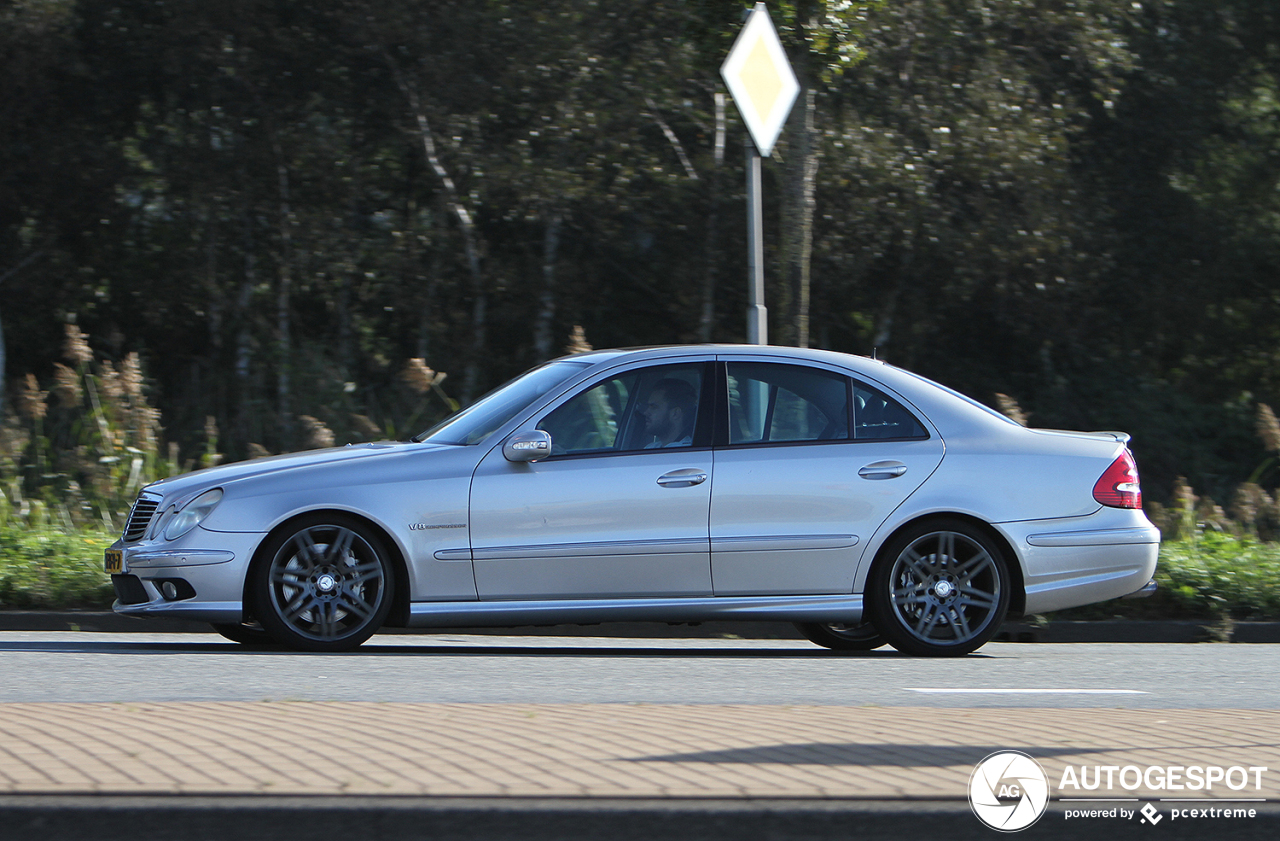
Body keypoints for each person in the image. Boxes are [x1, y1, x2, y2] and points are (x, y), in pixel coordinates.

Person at [641, 378, 697, 448]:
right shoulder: (651, 447)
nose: (645, 412)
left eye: (654, 407)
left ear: (675, 413)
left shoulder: (686, 451)